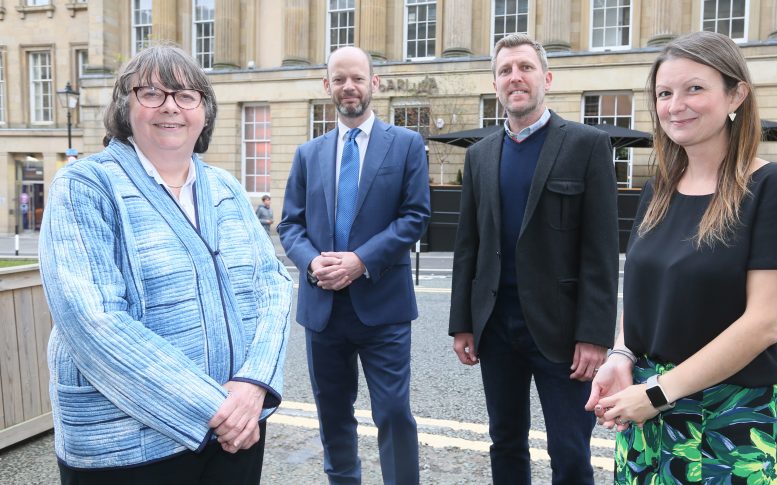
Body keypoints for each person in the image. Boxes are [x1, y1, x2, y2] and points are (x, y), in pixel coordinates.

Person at [38, 44, 293, 485]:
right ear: (125, 107)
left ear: (204, 111)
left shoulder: (225, 187)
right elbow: (91, 318)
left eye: (186, 95)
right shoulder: (84, 185)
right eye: (151, 93)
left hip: (237, 431)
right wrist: (213, 408)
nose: (170, 106)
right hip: (127, 446)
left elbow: (273, 285)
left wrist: (254, 385)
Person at [585, 31, 777, 484]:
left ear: (736, 95)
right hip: (648, 414)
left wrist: (655, 394)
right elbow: (641, 294)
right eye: (664, 93)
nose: (676, 105)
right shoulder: (658, 191)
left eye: (695, 88)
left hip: (730, 420)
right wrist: (620, 354)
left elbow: (763, 325)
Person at [449, 33, 619, 485]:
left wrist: (594, 334)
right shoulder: (481, 155)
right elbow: (469, 246)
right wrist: (462, 322)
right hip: (496, 329)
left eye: (524, 67)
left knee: (569, 450)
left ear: (546, 78)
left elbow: (601, 250)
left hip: (562, 333)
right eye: (505, 71)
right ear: (496, 84)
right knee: (505, 441)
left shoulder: (586, 144)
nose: (515, 77)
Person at [279, 45, 430, 484]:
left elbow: (415, 217)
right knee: (333, 417)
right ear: (327, 86)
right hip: (322, 310)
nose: (349, 87)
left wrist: (360, 261)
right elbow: (290, 225)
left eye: (358, 78)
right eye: (340, 79)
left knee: (394, 414)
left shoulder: (405, 145)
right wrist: (312, 264)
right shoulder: (309, 154)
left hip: (383, 307)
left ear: (374, 83)